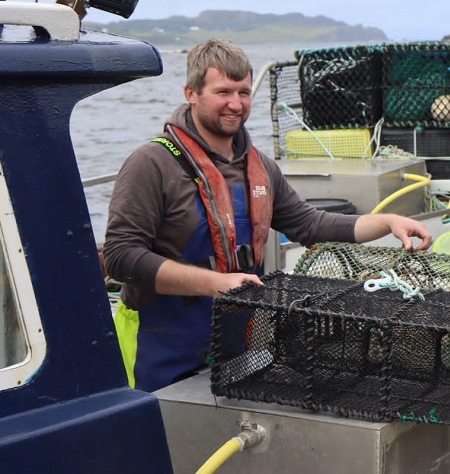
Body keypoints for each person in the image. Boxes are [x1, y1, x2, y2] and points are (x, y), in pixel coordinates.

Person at [103, 38, 432, 392]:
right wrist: (217, 284)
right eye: (223, 92)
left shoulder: (260, 166)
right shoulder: (151, 163)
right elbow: (121, 258)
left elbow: (309, 223)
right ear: (191, 93)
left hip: (234, 340)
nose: (235, 104)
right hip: (158, 345)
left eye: (244, 92)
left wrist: (386, 222)